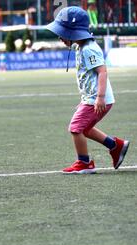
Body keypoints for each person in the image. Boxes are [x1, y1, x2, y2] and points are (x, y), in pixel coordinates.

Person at [47, 6, 129, 174]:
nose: (60, 37)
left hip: (98, 99)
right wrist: (85, 99)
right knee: (85, 128)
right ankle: (116, 146)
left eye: (63, 33)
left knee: (75, 128)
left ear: (74, 32)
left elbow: (102, 72)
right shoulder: (80, 47)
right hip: (91, 99)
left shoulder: (89, 49)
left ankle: (84, 163)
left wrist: (99, 97)